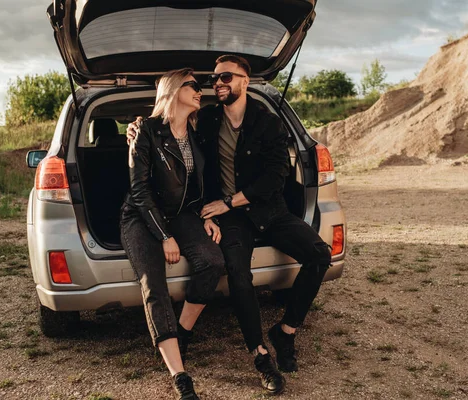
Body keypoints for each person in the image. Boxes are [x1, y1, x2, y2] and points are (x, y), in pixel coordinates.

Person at [128, 55, 332, 395]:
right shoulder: (205, 120)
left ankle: (286, 331)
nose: (217, 83)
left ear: (244, 81)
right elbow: (165, 127)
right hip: (232, 219)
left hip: (268, 210)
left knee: (319, 255)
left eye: (225, 77)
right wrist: (137, 126)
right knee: (238, 274)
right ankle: (260, 354)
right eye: (213, 79)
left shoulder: (269, 122)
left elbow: (277, 175)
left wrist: (227, 201)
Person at [120, 68, 225, 400]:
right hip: (140, 216)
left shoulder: (195, 134)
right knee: (154, 282)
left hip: (180, 214)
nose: (201, 90)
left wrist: (203, 214)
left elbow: (193, 187)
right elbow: (140, 192)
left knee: (212, 261)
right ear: (174, 88)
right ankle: (180, 375)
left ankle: (181, 332)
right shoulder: (146, 130)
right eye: (194, 85)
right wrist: (165, 236)